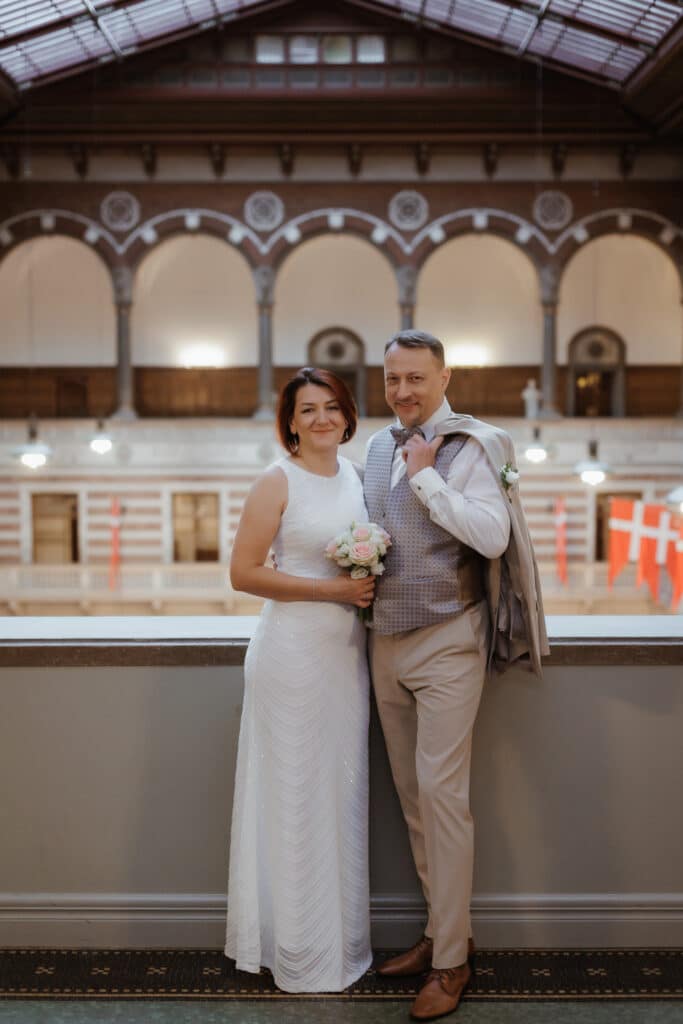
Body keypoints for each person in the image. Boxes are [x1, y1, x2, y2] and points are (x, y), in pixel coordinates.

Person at [365, 330, 548, 1021]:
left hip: (448, 641)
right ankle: (442, 933)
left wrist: (426, 475)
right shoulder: (377, 447)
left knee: (443, 799)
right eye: (391, 379)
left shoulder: (476, 445)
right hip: (383, 643)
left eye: (415, 377)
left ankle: (451, 965)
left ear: (444, 376)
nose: (403, 391)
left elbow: (491, 536)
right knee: (414, 801)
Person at [224, 367, 375, 993]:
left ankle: (335, 940)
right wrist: (334, 588)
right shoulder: (275, 480)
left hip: (344, 656)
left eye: (331, 407)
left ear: (347, 415)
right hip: (289, 655)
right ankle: (293, 945)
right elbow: (243, 573)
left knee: (339, 794)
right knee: (290, 793)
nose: (321, 419)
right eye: (307, 409)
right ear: (289, 420)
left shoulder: (356, 477)